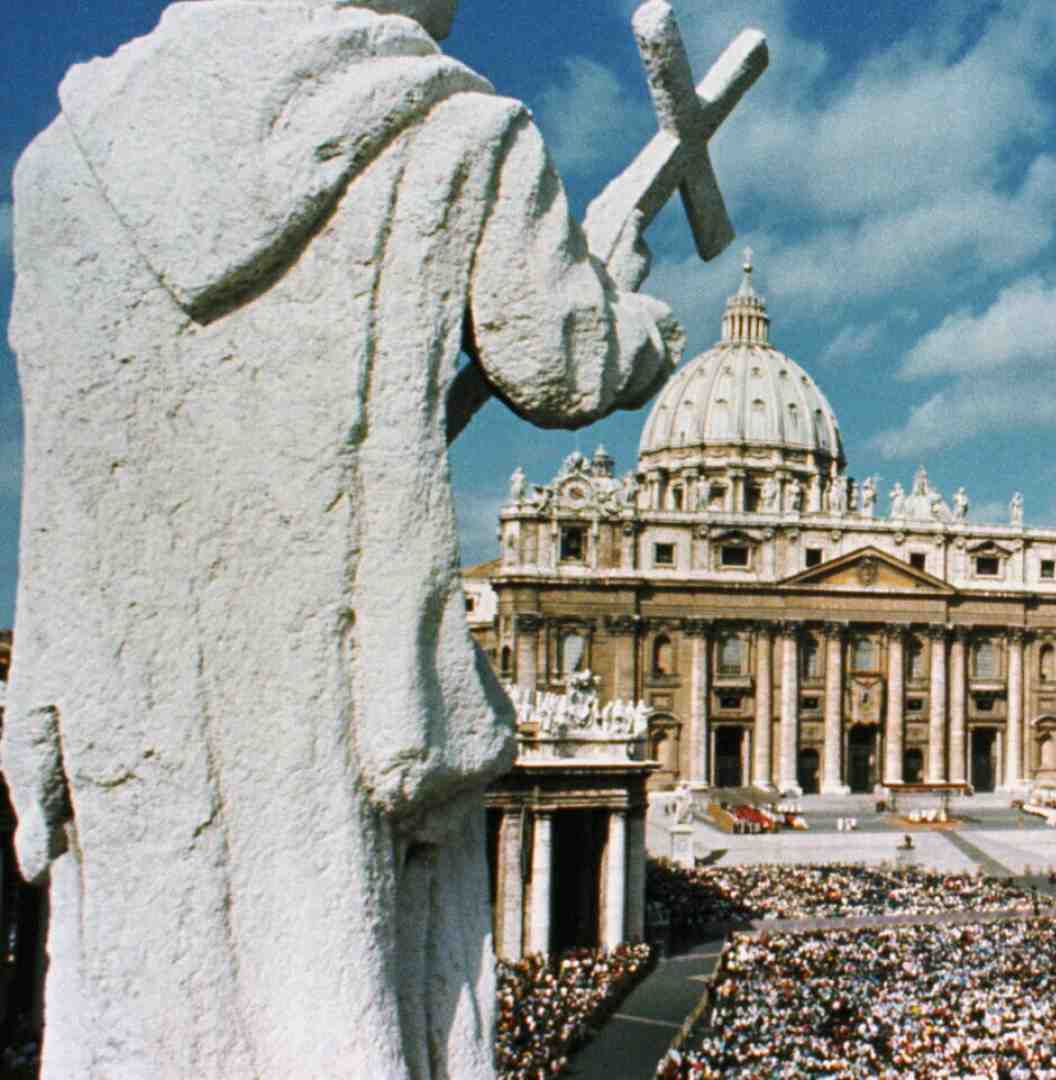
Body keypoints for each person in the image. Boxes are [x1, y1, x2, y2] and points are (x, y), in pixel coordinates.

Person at [3, 1, 755, 1075]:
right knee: (336, 982)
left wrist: (41, 675)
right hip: (333, 675)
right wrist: (629, 306)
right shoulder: (457, 128)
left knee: (146, 991)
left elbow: (58, 462)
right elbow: (561, 359)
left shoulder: (59, 165)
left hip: (126, 684)